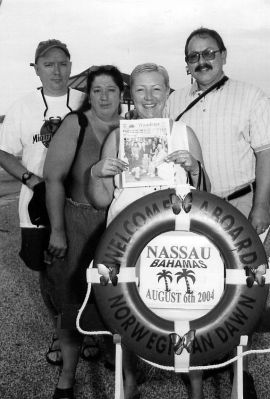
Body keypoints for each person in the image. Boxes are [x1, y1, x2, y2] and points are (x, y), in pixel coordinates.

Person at [165, 27, 270, 398]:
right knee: (199, 288)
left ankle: (237, 369)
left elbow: (267, 152)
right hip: (192, 210)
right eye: (193, 56)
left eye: (209, 53)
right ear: (186, 64)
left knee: (239, 293)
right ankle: (198, 363)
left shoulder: (251, 96)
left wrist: (260, 206)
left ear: (224, 55)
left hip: (239, 205)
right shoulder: (173, 100)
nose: (202, 61)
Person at [88, 63, 210, 399]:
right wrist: (98, 171)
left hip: (175, 244)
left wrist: (195, 168)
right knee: (127, 316)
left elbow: (206, 199)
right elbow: (99, 199)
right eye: (140, 89)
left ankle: (195, 384)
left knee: (186, 312)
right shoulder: (117, 136)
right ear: (131, 95)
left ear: (168, 92)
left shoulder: (185, 134)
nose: (149, 97)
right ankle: (129, 381)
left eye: (157, 89)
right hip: (124, 242)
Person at [0, 39, 87, 367]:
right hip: (36, 204)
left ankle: (87, 330)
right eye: (48, 64)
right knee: (50, 273)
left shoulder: (84, 101)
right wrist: (29, 179)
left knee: (85, 267)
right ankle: (61, 331)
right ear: (36, 68)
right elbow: (4, 151)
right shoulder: (23, 106)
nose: (56, 70)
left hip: (80, 202)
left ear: (70, 66)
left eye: (63, 63)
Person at [43, 65, 124, 399]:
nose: (104, 96)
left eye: (111, 90)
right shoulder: (76, 123)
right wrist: (58, 231)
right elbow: (52, 179)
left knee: (116, 296)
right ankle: (67, 376)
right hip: (78, 224)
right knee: (71, 299)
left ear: (122, 94)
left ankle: (116, 360)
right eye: (97, 90)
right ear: (88, 94)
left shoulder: (135, 129)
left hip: (118, 226)